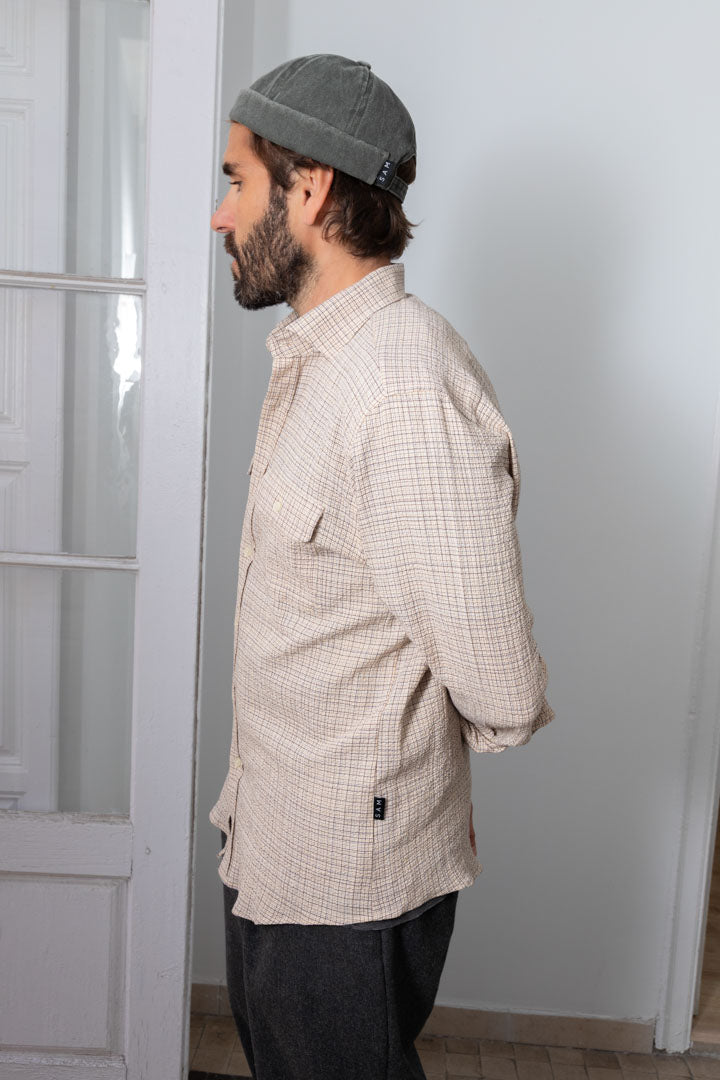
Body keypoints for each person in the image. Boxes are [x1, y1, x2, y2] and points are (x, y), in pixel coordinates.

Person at [209, 53, 553, 1080]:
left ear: (310, 188)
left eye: (238, 181)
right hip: (276, 846)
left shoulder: (402, 387)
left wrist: (413, 759)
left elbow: (501, 686)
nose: (221, 215)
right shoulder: (325, 361)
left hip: (347, 888)